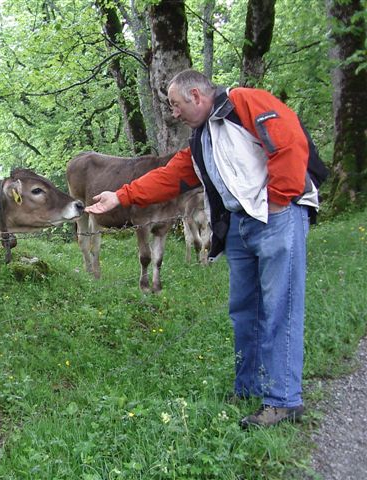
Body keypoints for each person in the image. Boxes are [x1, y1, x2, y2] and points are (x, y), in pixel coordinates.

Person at [86, 69, 323, 428]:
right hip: (241, 223)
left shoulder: (245, 102)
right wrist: (120, 196)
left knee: (280, 307)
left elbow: (288, 140)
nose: (173, 113)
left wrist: (278, 200)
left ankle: (283, 401)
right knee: (244, 309)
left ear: (196, 95)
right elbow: (170, 176)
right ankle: (248, 387)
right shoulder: (202, 139)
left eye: (175, 104)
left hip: (277, 216)